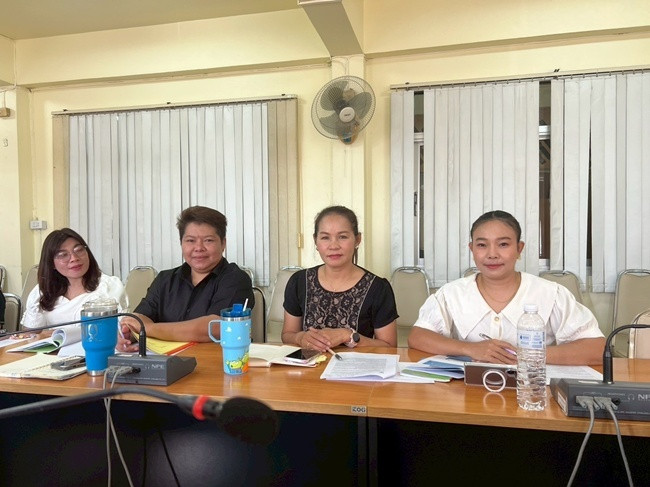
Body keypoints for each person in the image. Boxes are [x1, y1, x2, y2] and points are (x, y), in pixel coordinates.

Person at [408, 210, 605, 365]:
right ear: (472, 249)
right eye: (482, 245)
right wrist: (469, 349)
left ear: (519, 249)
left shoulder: (551, 293)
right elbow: (418, 336)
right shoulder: (452, 293)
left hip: (531, 390)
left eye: (503, 244)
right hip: (467, 392)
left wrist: (526, 355)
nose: (492, 254)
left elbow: (597, 348)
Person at [118, 206, 254, 350]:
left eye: (208, 240)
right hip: (164, 360)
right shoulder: (165, 280)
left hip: (216, 360)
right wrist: (127, 333)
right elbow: (140, 317)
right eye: (190, 241)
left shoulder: (236, 279)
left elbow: (215, 327)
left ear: (223, 243)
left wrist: (148, 329)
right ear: (181, 243)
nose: (199, 248)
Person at [282, 205, 398, 351]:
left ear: (357, 239)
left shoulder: (378, 288)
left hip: (357, 365)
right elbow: (288, 334)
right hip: (309, 364)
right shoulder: (299, 282)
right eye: (325, 237)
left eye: (342, 237)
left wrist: (348, 335)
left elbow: (389, 346)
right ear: (315, 241)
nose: (333, 246)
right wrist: (300, 338)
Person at [21, 228, 125, 329]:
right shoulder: (43, 291)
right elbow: (29, 335)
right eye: (63, 255)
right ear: (51, 263)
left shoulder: (109, 286)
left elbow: (120, 330)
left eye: (79, 250)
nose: (74, 258)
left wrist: (52, 334)